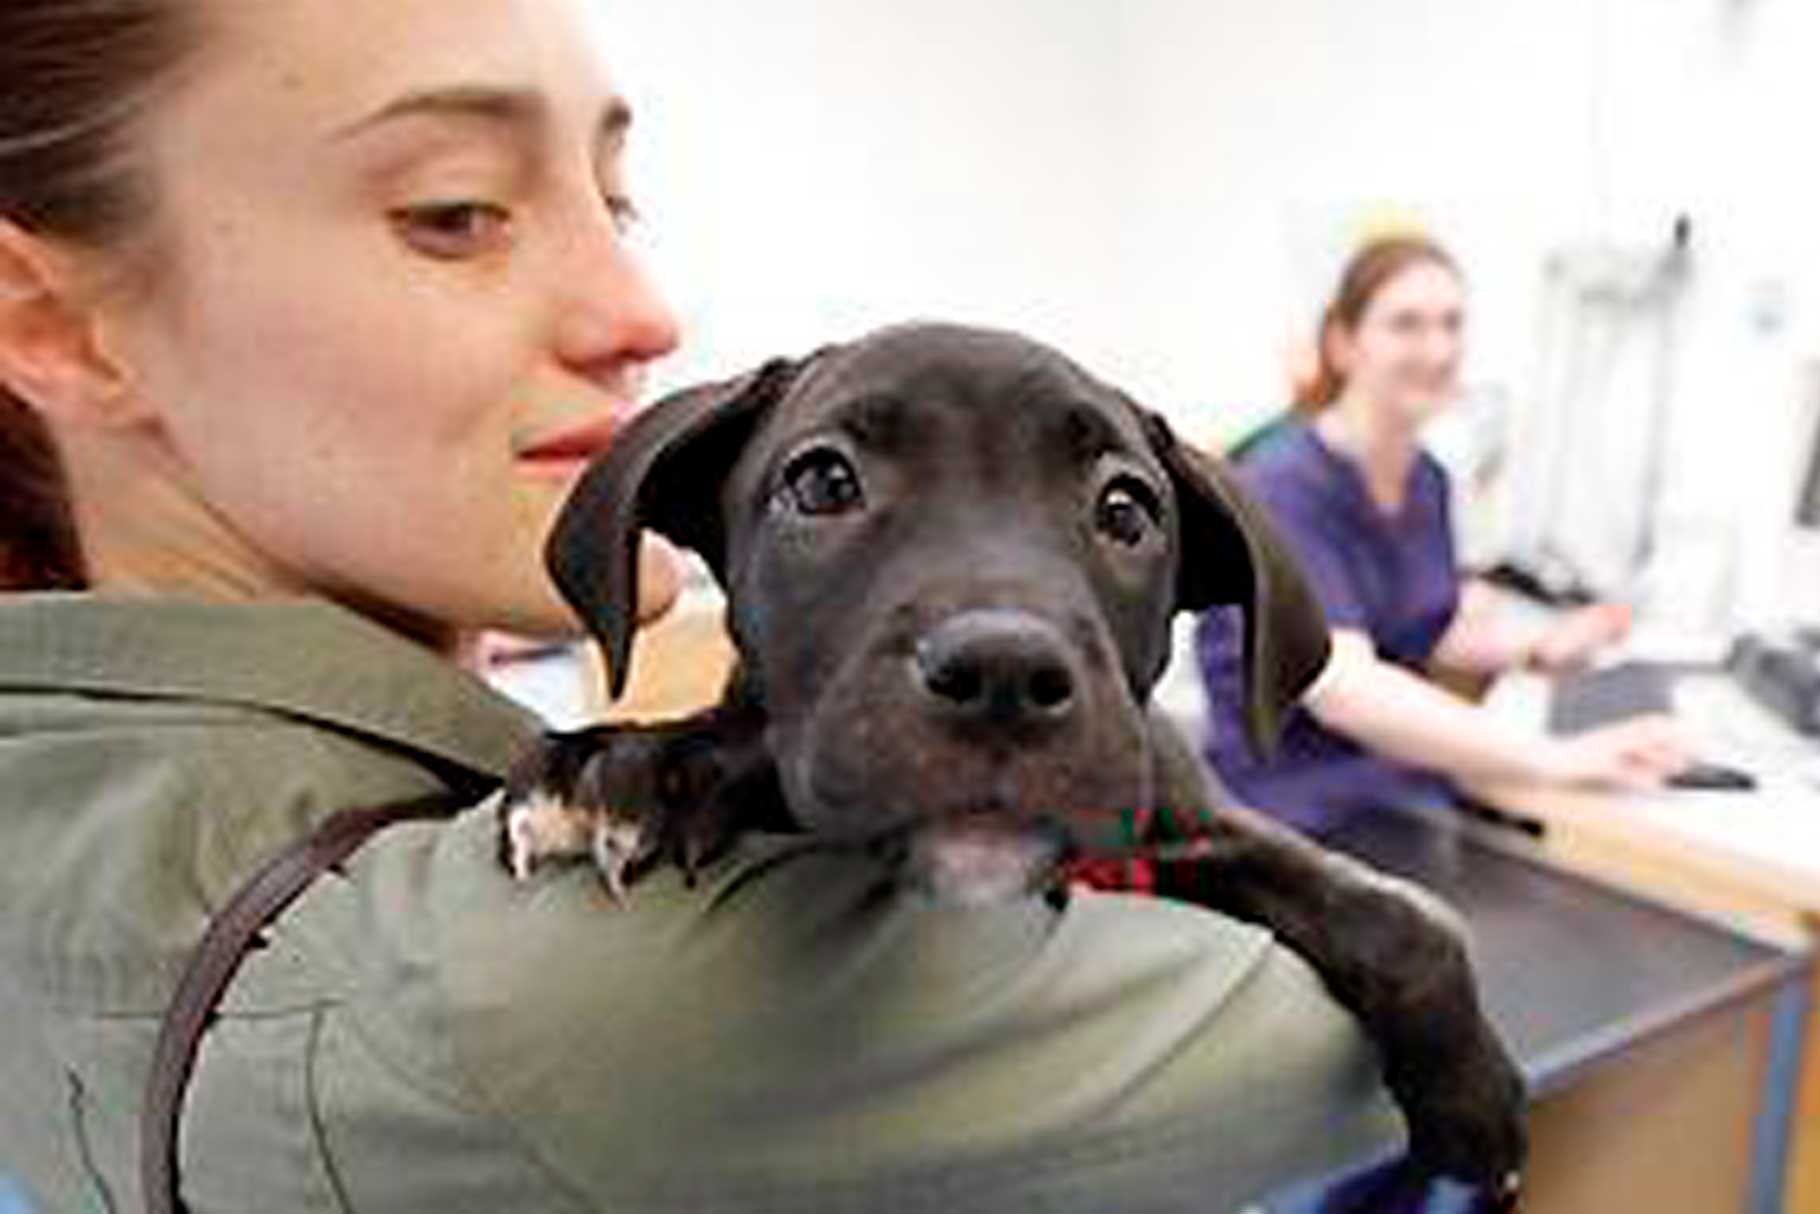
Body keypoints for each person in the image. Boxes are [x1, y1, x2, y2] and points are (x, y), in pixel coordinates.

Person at [0, 2, 1404, 1211]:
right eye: (453, 212)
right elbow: (1359, 1045)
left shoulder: (73, 792)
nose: (641, 309)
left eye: (617, 205)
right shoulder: (538, 1002)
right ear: (53, 326)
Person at [1196, 236, 1689, 837]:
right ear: (1344, 345)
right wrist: (1556, 757)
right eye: (1407, 325)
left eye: (1452, 324)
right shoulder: (1283, 487)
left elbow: (1418, 621)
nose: (1438, 348)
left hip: (1387, 779)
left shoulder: (1426, 479)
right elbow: (1343, 687)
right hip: (1289, 809)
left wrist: (1534, 649)